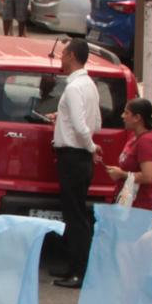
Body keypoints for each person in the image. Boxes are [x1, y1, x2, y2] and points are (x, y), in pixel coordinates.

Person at [50, 38, 100, 288]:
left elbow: (82, 127)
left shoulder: (73, 87)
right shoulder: (89, 84)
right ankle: (72, 266)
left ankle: (79, 271)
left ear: (71, 55)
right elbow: (95, 123)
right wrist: (62, 120)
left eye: (63, 53)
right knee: (75, 213)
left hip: (74, 156)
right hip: (78, 157)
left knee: (76, 216)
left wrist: (91, 147)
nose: (61, 58)